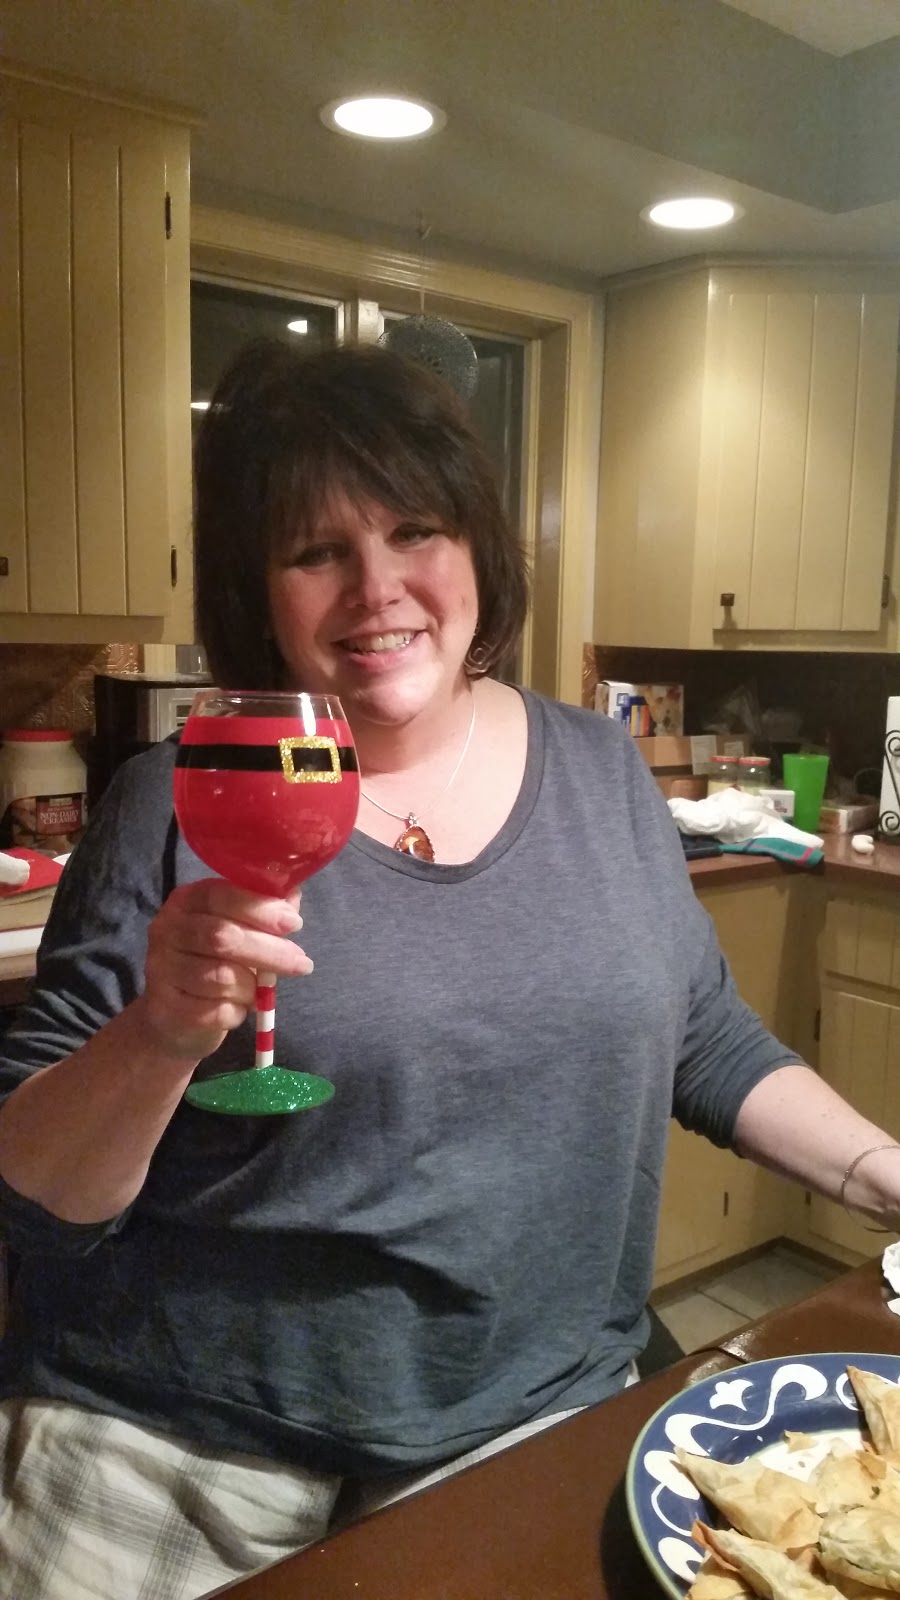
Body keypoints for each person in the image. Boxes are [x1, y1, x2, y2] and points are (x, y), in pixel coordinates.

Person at [0, 340, 899, 1600]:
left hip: (522, 1400)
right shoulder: (176, 794)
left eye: (415, 530)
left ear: (476, 543)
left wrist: (881, 1169)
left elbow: (703, 1034)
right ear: (262, 589)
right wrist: (156, 1034)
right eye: (317, 550)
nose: (377, 589)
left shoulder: (603, 772)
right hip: (176, 1422)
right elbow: (37, 1194)